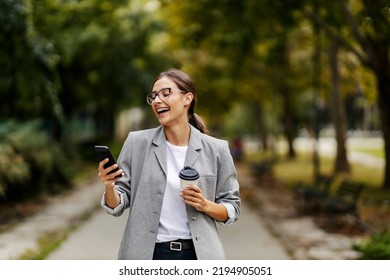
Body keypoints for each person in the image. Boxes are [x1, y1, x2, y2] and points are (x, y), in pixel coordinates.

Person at [97, 68, 240, 260]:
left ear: (187, 99)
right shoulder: (136, 143)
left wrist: (204, 205)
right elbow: (117, 205)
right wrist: (109, 186)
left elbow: (231, 208)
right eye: (154, 96)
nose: (157, 101)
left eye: (166, 93)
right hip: (147, 255)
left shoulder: (217, 149)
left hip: (199, 256)